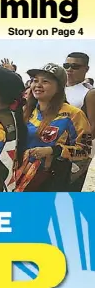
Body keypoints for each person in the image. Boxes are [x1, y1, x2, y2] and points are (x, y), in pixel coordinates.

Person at [20, 63, 92, 192]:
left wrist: (54, 150)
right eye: (35, 81)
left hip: (52, 181)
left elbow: (85, 150)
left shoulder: (73, 114)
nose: (38, 85)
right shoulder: (26, 111)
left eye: (45, 81)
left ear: (59, 87)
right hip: (21, 177)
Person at [63, 52, 95, 191]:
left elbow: (92, 126)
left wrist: (80, 153)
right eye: (67, 65)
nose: (69, 69)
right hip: (54, 148)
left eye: (75, 66)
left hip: (75, 152)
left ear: (86, 69)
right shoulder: (59, 88)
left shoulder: (89, 92)